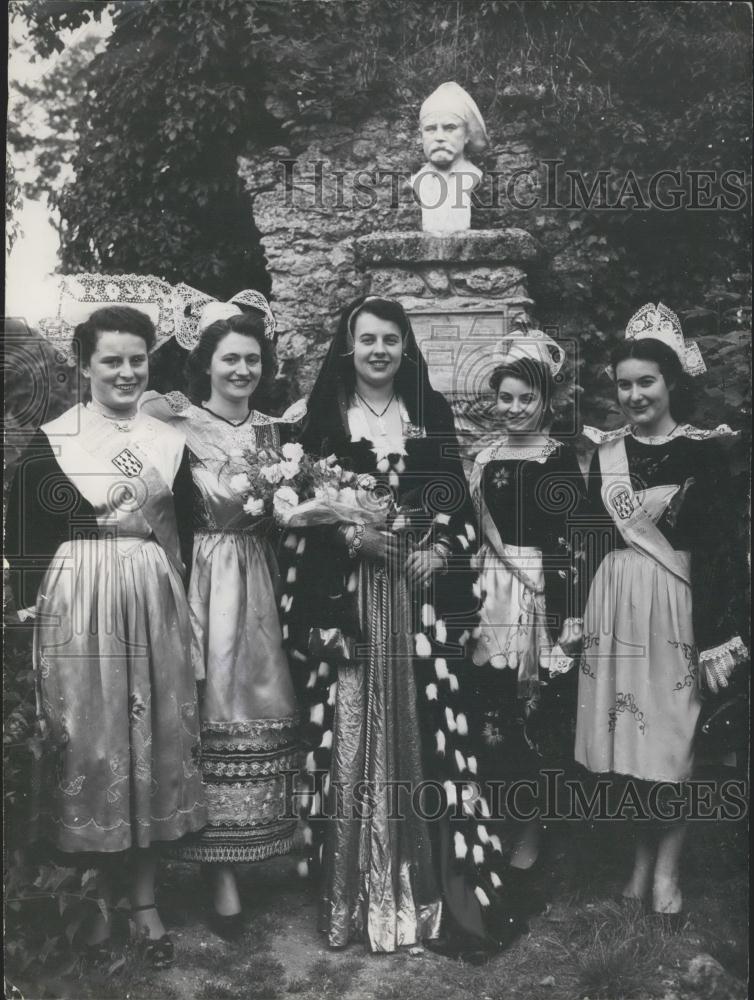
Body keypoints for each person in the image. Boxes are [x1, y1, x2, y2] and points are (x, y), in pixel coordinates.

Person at [280, 295, 488, 954]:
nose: (379, 351)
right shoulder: (319, 418)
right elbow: (295, 516)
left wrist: (441, 549)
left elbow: (454, 498)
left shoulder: (430, 412)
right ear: (349, 346)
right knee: (349, 728)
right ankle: (350, 893)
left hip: (415, 600)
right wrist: (350, 537)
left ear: (405, 346)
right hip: (350, 598)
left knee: (423, 723)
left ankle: (424, 889)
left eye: (390, 340)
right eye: (367, 339)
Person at [6, 304, 207, 967]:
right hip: (77, 606)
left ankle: (144, 900)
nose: (126, 371)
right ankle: (92, 899)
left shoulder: (169, 443)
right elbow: (25, 534)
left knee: (150, 743)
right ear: (84, 364)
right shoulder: (54, 441)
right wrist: (29, 614)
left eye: (137, 359)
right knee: (87, 745)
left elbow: (187, 531)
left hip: (151, 601)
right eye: (111, 360)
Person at [574, 303, 748, 921]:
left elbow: (723, 549)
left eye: (646, 381)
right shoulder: (606, 454)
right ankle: (640, 863)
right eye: (623, 385)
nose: (634, 395)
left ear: (671, 381)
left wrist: (718, 634)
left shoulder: (706, 453)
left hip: (678, 605)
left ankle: (668, 870)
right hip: (616, 605)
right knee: (630, 740)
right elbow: (589, 540)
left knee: (674, 741)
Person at [140, 292, 300, 939]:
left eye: (252, 359)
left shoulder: (278, 431)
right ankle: (218, 870)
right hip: (204, 580)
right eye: (229, 358)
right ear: (205, 363)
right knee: (212, 711)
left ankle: (263, 839)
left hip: (265, 578)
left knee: (264, 705)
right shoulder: (176, 425)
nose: (242, 370)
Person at [468, 332, 585, 927]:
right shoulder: (484, 457)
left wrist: (566, 616)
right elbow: (472, 530)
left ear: (546, 401)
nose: (514, 409)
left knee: (534, 713)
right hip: (489, 589)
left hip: (538, 591)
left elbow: (573, 541)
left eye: (526, 399)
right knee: (489, 707)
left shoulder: (558, 459)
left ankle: (533, 833)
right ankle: (494, 823)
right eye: (505, 398)